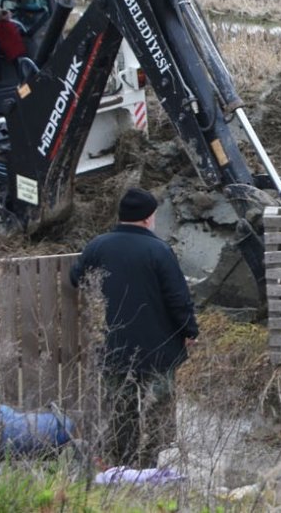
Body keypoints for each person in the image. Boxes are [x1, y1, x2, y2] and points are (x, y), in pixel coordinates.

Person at [69, 187, 199, 468]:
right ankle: (153, 465)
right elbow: (178, 298)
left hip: (114, 347)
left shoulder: (98, 246)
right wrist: (190, 331)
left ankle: (120, 465)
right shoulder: (159, 250)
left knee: (120, 409)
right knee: (159, 410)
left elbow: (76, 278)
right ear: (147, 218)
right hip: (159, 350)